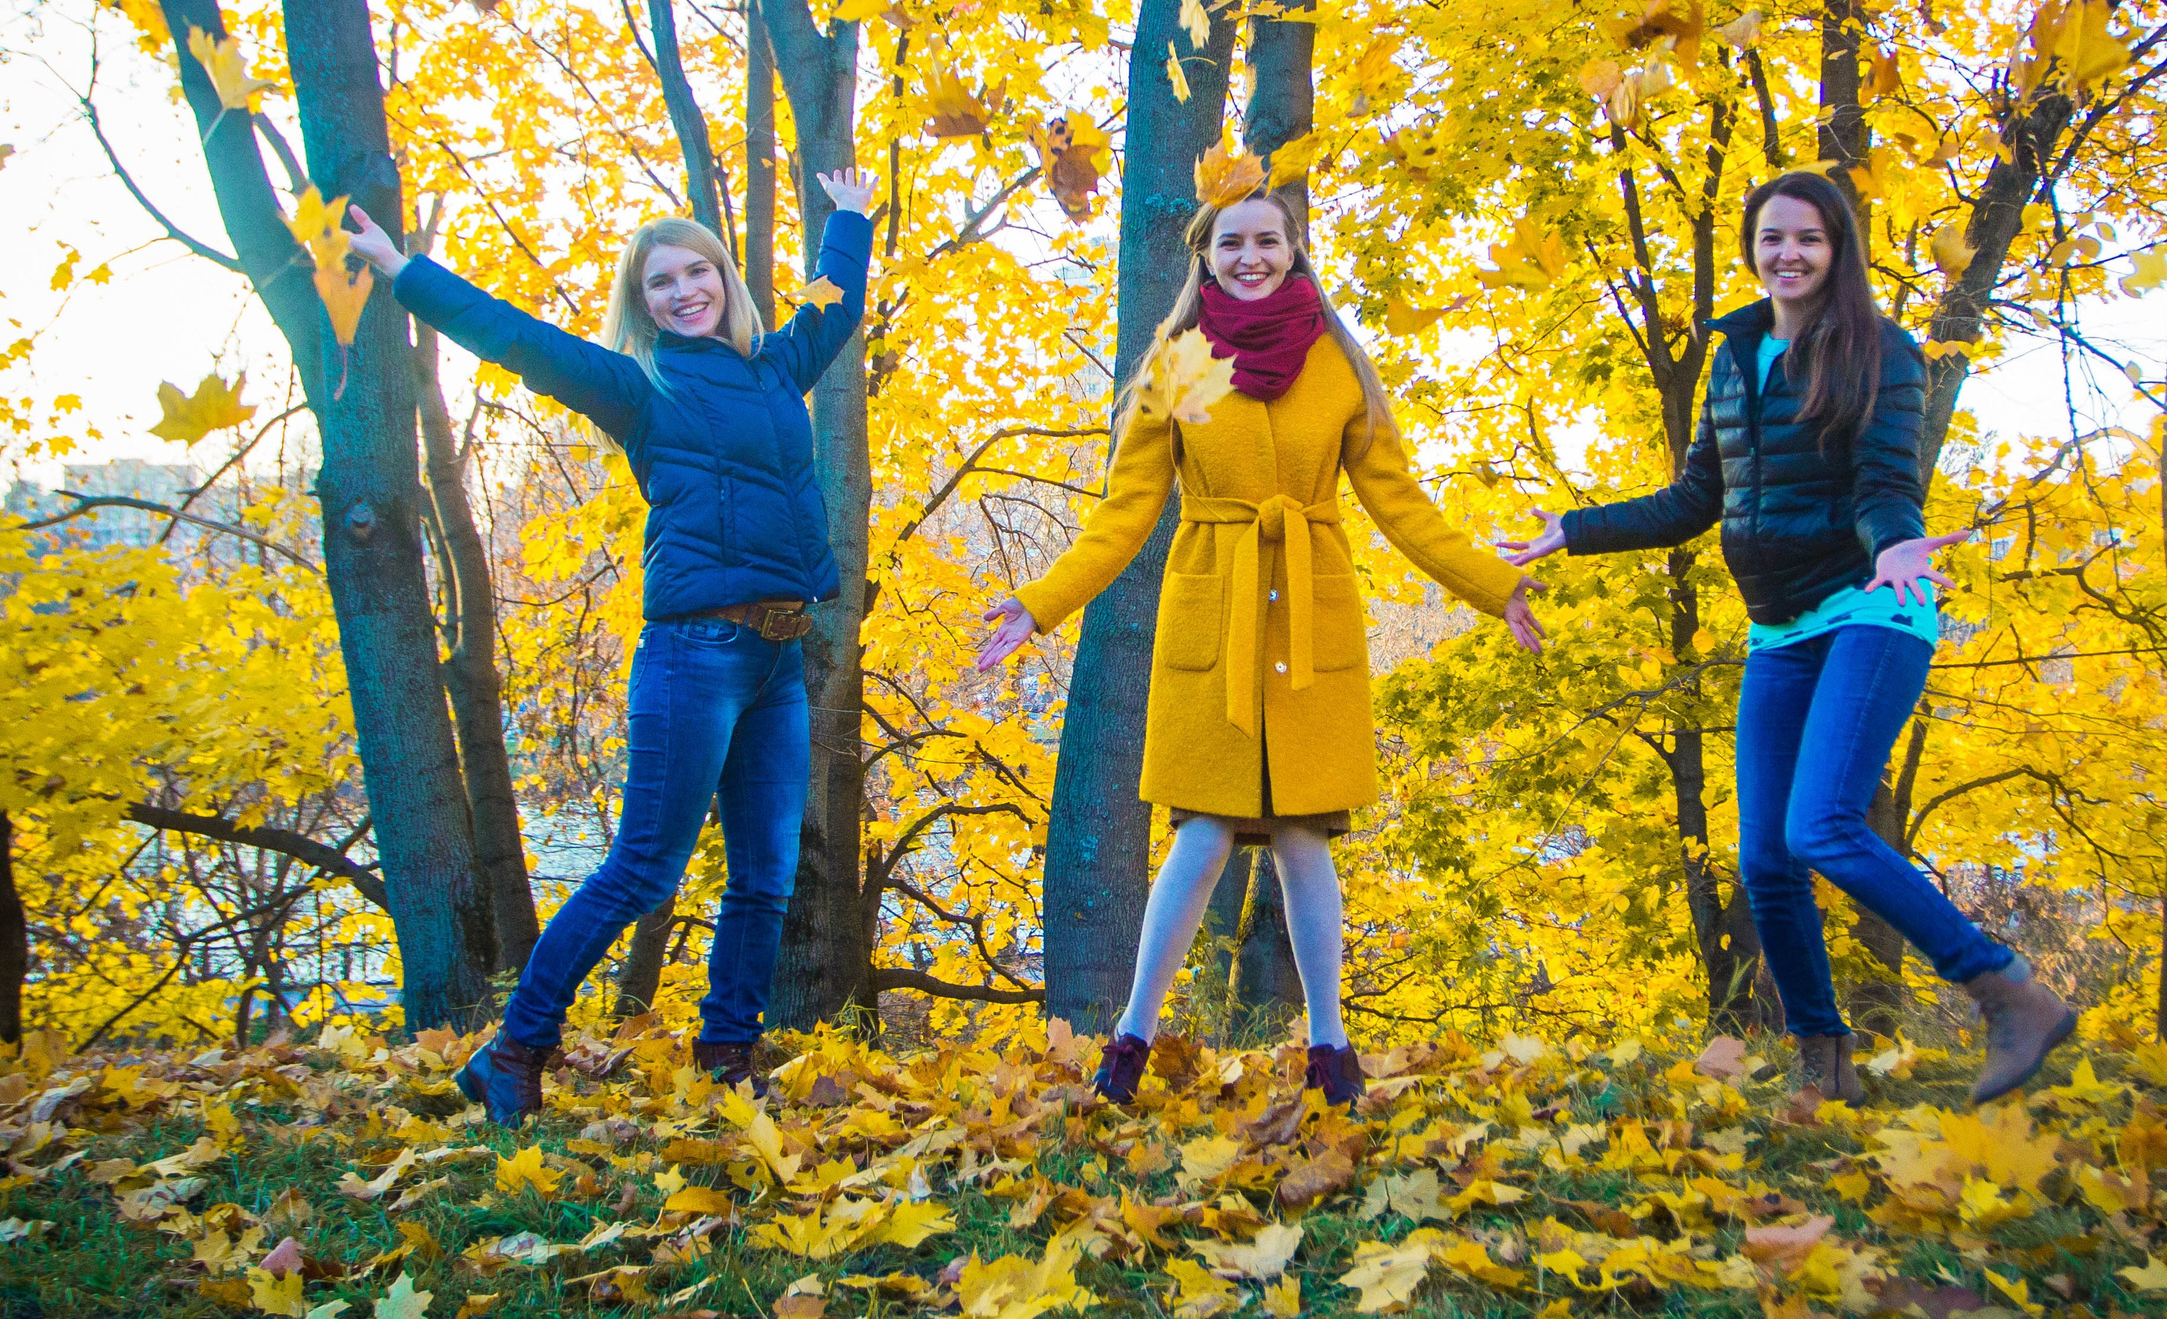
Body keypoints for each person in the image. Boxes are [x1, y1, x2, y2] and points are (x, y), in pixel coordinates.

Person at [1499, 170, 2075, 1106]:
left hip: (1871, 605)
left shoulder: (1881, 351)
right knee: (1767, 857)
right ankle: (1824, 1061)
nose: (1788, 254)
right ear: (1753, 248)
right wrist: (1578, 525)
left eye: (1807, 238)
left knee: (1823, 828)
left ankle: (2007, 992)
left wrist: (1894, 547)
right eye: (1772, 239)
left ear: (1837, 248)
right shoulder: (1735, 354)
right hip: (1779, 628)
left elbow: (1888, 481)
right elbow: (1696, 498)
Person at [976, 187, 1545, 1107]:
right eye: (1232, 242)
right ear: (1204, 255)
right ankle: (1131, 1037)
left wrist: (1491, 581)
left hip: (1311, 620)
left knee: (1302, 834)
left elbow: (1399, 500)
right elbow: (1123, 517)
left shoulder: (1338, 361)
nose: (1252, 255)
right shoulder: (1177, 365)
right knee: (1200, 836)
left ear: (1293, 249)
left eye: (1268, 240)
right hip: (1214, 614)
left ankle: (1330, 1048)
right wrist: (1038, 604)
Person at [344, 176, 874, 1124]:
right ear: (644, 303)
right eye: (659, 282)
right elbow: (519, 338)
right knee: (643, 869)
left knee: (766, 874)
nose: (682, 291)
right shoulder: (640, 387)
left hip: (779, 662)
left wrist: (849, 218)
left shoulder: (772, 368)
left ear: (723, 277)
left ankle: (726, 1055)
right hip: (694, 658)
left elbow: (832, 308)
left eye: (696, 271)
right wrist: (402, 272)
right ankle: (514, 1050)